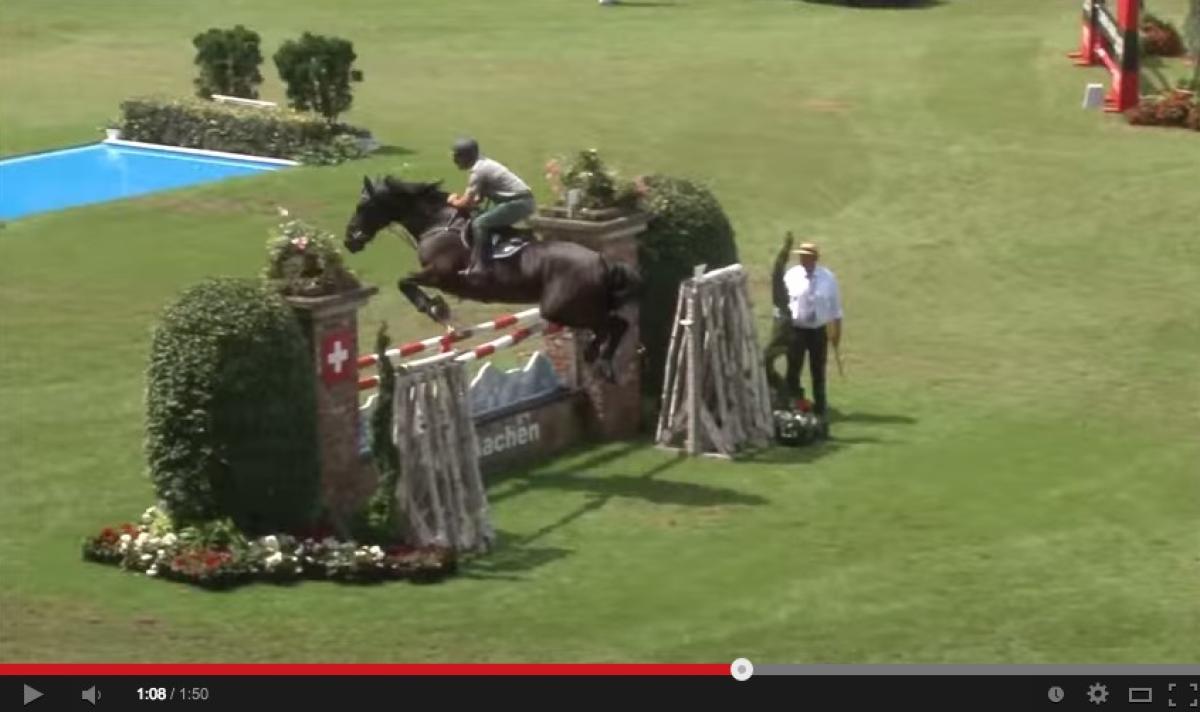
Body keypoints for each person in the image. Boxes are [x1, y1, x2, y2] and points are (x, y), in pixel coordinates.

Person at [446, 137, 536, 275]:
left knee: (479, 224)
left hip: (518, 203)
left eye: (457, 156)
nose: (455, 160)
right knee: (481, 216)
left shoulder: (478, 171)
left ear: (466, 156)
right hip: (521, 201)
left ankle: (481, 265)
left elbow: (466, 202)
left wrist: (453, 200)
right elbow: (477, 200)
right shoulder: (483, 164)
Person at [783, 241, 843, 436]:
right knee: (794, 368)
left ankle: (820, 408)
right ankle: (794, 404)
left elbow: (836, 309)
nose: (803, 259)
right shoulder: (791, 276)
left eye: (807, 256)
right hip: (796, 330)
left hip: (818, 331)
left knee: (818, 370)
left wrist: (836, 333)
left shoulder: (828, 278)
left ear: (815, 258)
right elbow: (783, 303)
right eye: (801, 255)